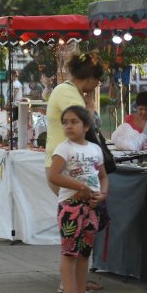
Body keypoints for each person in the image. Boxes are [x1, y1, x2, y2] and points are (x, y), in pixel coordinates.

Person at [48, 105, 109, 293]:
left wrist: (102, 194)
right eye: (65, 122)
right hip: (71, 206)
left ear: (86, 126)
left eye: (74, 122)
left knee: (84, 252)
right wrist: (79, 187)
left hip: (91, 206)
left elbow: (102, 176)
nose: (68, 126)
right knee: (69, 251)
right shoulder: (63, 149)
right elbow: (54, 175)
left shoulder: (94, 149)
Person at [45, 51, 104, 193]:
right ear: (90, 78)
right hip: (66, 166)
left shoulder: (71, 92)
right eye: (98, 80)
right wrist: (90, 108)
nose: (97, 85)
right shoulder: (66, 91)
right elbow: (82, 126)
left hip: (71, 164)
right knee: (74, 211)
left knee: (77, 212)